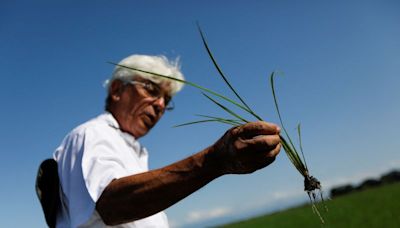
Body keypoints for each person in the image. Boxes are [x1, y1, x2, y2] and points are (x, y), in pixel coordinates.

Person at [53, 54, 281, 227]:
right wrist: (214, 161)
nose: (160, 105)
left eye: (166, 100)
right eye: (151, 89)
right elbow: (112, 204)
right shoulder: (92, 133)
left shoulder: (133, 150)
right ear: (116, 90)